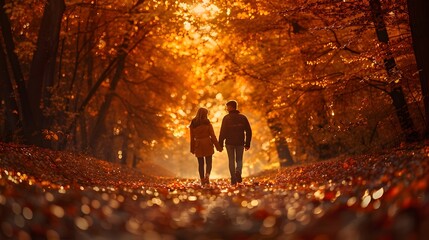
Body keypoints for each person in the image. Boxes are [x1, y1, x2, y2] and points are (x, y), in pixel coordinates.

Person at [219, 100, 252, 185]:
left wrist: (220, 144)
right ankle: (238, 172)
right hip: (240, 142)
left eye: (227, 107)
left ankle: (233, 179)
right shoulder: (243, 118)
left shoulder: (226, 118)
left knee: (231, 160)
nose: (226, 109)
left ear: (231, 107)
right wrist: (247, 143)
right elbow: (249, 131)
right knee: (239, 159)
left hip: (229, 143)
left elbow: (222, 132)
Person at [190, 107, 222, 185]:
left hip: (198, 144)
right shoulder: (207, 123)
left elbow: (192, 137)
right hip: (208, 143)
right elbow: (213, 136)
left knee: (200, 163)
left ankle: (202, 180)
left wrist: (192, 148)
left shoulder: (193, 123)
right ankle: (207, 175)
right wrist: (218, 147)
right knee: (209, 162)